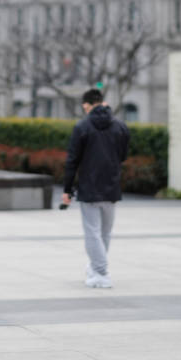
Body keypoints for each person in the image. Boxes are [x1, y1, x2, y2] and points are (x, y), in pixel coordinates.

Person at [62, 89, 130, 289]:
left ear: (86, 104)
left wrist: (67, 190)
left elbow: (72, 161)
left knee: (92, 232)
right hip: (112, 185)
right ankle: (95, 268)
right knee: (105, 233)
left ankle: (101, 272)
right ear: (103, 102)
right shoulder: (120, 126)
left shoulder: (82, 127)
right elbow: (123, 155)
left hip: (89, 187)